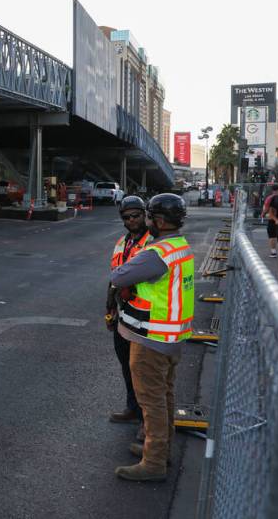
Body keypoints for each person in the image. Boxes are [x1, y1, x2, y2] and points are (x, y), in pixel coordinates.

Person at [111, 193, 194, 482]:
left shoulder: (156, 253)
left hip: (151, 339)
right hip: (172, 337)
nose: (142, 221)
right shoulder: (179, 247)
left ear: (158, 220)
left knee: (152, 401)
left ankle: (154, 462)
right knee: (165, 395)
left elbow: (119, 277)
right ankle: (161, 448)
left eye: (146, 216)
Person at [106, 196, 151, 425]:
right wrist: (109, 309)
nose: (132, 220)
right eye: (127, 217)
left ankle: (147, 421)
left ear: (144, 214)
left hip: (144, 318)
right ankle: (132, 408)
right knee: (126, 366)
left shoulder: (152, 242)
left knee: (142, 370)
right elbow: (114, 277)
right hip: (123, 315)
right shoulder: (121, 243)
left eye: (136, 215)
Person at [262, 184, 278, 258]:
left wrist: (263, 214)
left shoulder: (270, 198)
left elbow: (266, 208)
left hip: (272, 219)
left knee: (272, 236)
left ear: (272, 190)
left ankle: (273, 252)